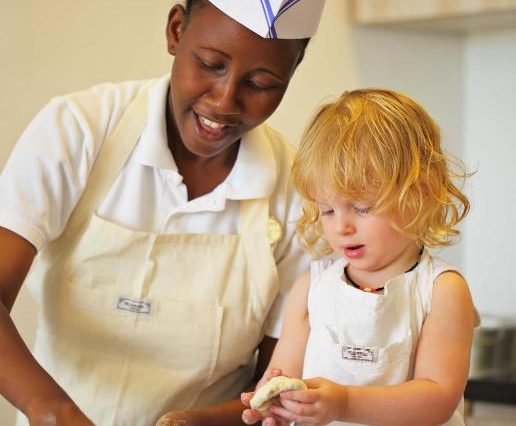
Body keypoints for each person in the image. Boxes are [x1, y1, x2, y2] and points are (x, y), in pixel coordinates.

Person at [0, 0, 328, 424]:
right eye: (210, 64)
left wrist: (197, 422)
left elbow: (273, 385)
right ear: (176, 30)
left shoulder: (296, 192)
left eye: (261, 83)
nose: (224, 100)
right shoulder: (79, 130)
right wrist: (51, 411)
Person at [241, 89, 479, 426]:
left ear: (420, 195)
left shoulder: (441, 290)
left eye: (362, 208)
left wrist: (344, 403)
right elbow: (285, 374)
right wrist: (277, 404)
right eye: (327, 210)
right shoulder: (311, 288)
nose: (342, 227)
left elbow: (438, 398)